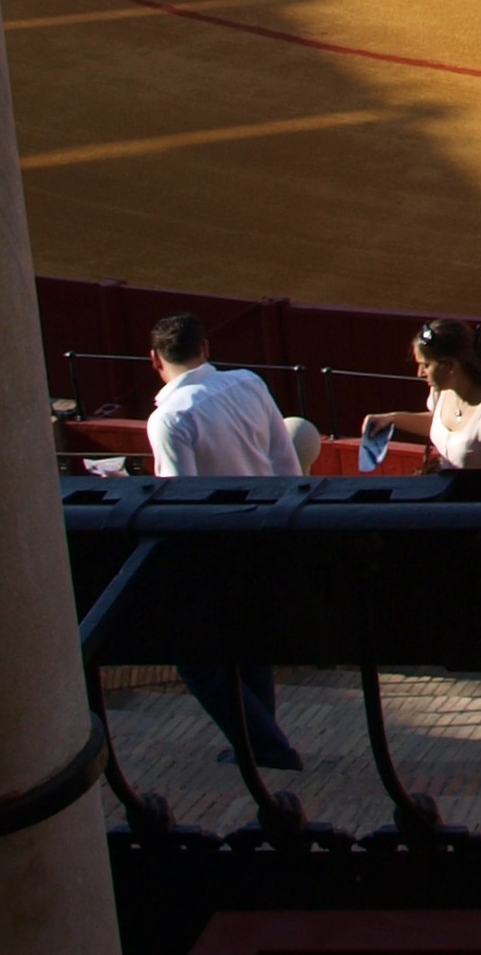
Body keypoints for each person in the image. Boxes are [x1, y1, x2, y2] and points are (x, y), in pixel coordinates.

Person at [361, 318, 481, 750]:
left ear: (450, 364)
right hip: (461, 527)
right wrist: (392, 419)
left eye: (424, 364)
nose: (419, 372)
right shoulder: (442, 392)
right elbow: (438, 424)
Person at [143, 312, 306, 768]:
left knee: (197, 660)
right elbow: (284, 460)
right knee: (248, 645)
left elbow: (183, 504)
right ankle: (260, 747)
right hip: (267, 532)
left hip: (216, 549)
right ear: (206, 348)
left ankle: (267, 746)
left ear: (155, 360)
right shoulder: (249, 383)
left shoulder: (169, 419)